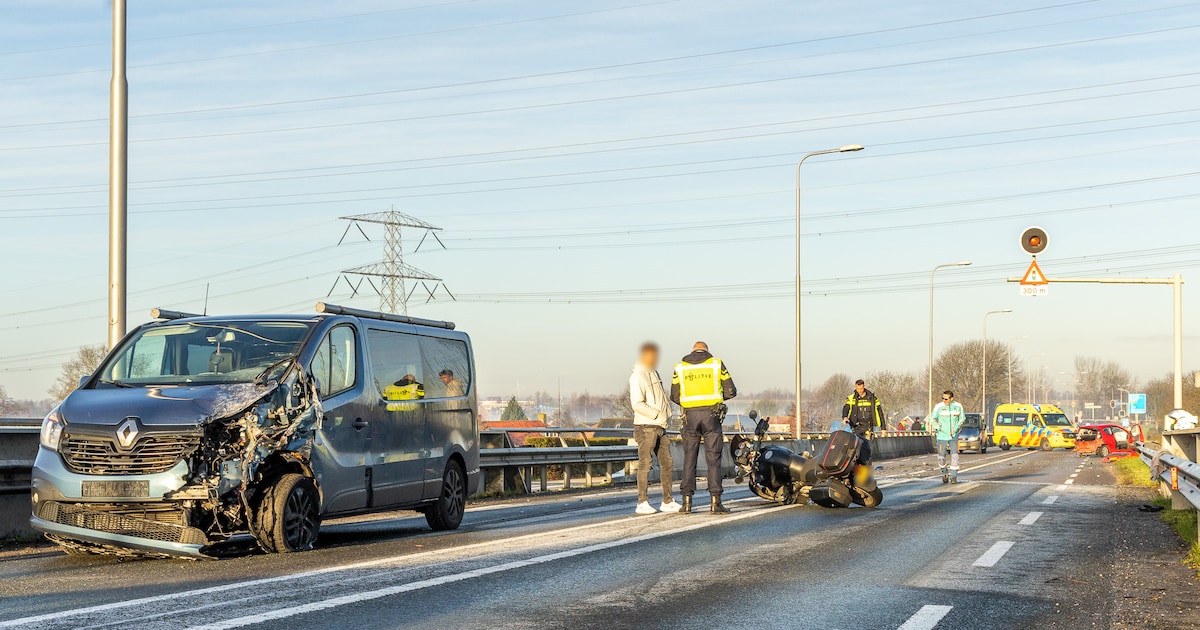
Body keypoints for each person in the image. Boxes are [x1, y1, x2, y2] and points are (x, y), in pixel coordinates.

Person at [670, 341, 737, 514]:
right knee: (713, 459)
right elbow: (731, 391)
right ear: (707, 350)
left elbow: (674, 395)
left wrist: (690, 403)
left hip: (690, 417)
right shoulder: (716, 364)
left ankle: (686, 503)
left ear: (693, 350)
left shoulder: (681, 367)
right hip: (711, 416)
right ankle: (715, 502)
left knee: (689, 458)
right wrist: (715, 400)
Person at [629, 342, 681, 515]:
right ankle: (642, 501)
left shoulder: (653, 373)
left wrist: (666, 415)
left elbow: (662, 398)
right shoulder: (638, 376)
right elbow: (637, 404)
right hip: (646, 425)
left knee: (667, 463)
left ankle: (667, 501)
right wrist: (657, 414)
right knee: (646, 464)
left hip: (660, 425)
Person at [842, 379, 885, 465]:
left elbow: (880, 412)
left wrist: (883, 428)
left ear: (864, 387)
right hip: (856, 427)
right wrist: (845, 417)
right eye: (858, 389)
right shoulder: (851, 398)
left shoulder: (872, 398)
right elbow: (845, 409)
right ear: (855, 387)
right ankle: (857, 468)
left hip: (868, 427)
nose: (860, 391)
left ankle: (867, 469)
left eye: (861, 389)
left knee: (867, 449)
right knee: (856, 449)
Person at [927, 390, 966, 484]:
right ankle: (944, 472)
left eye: (946, 399)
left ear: (951, 399)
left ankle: (953, 476)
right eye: (943, 398)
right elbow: (931, 418)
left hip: (953, 435)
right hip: (941, 436)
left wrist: (956, 428)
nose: (944, 400)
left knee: (955, 456)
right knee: (941, 457)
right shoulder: (939, 407)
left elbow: (962, 418)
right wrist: (938, 427)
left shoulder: (958, 406)